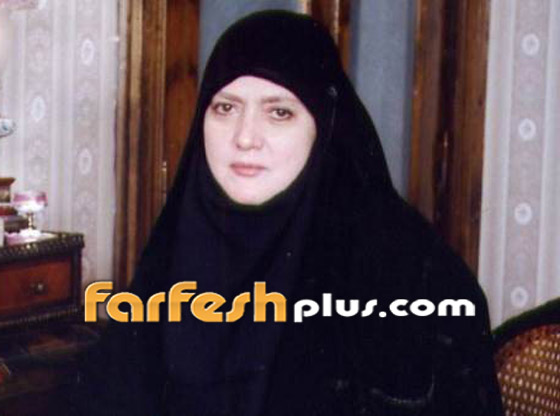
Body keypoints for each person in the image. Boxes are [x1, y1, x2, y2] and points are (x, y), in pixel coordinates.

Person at [66, 10, 504, 416]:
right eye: (225, 108)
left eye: (279, 112)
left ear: (324, 126)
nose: (245, 137)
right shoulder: (175, 250)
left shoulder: (409, 274)